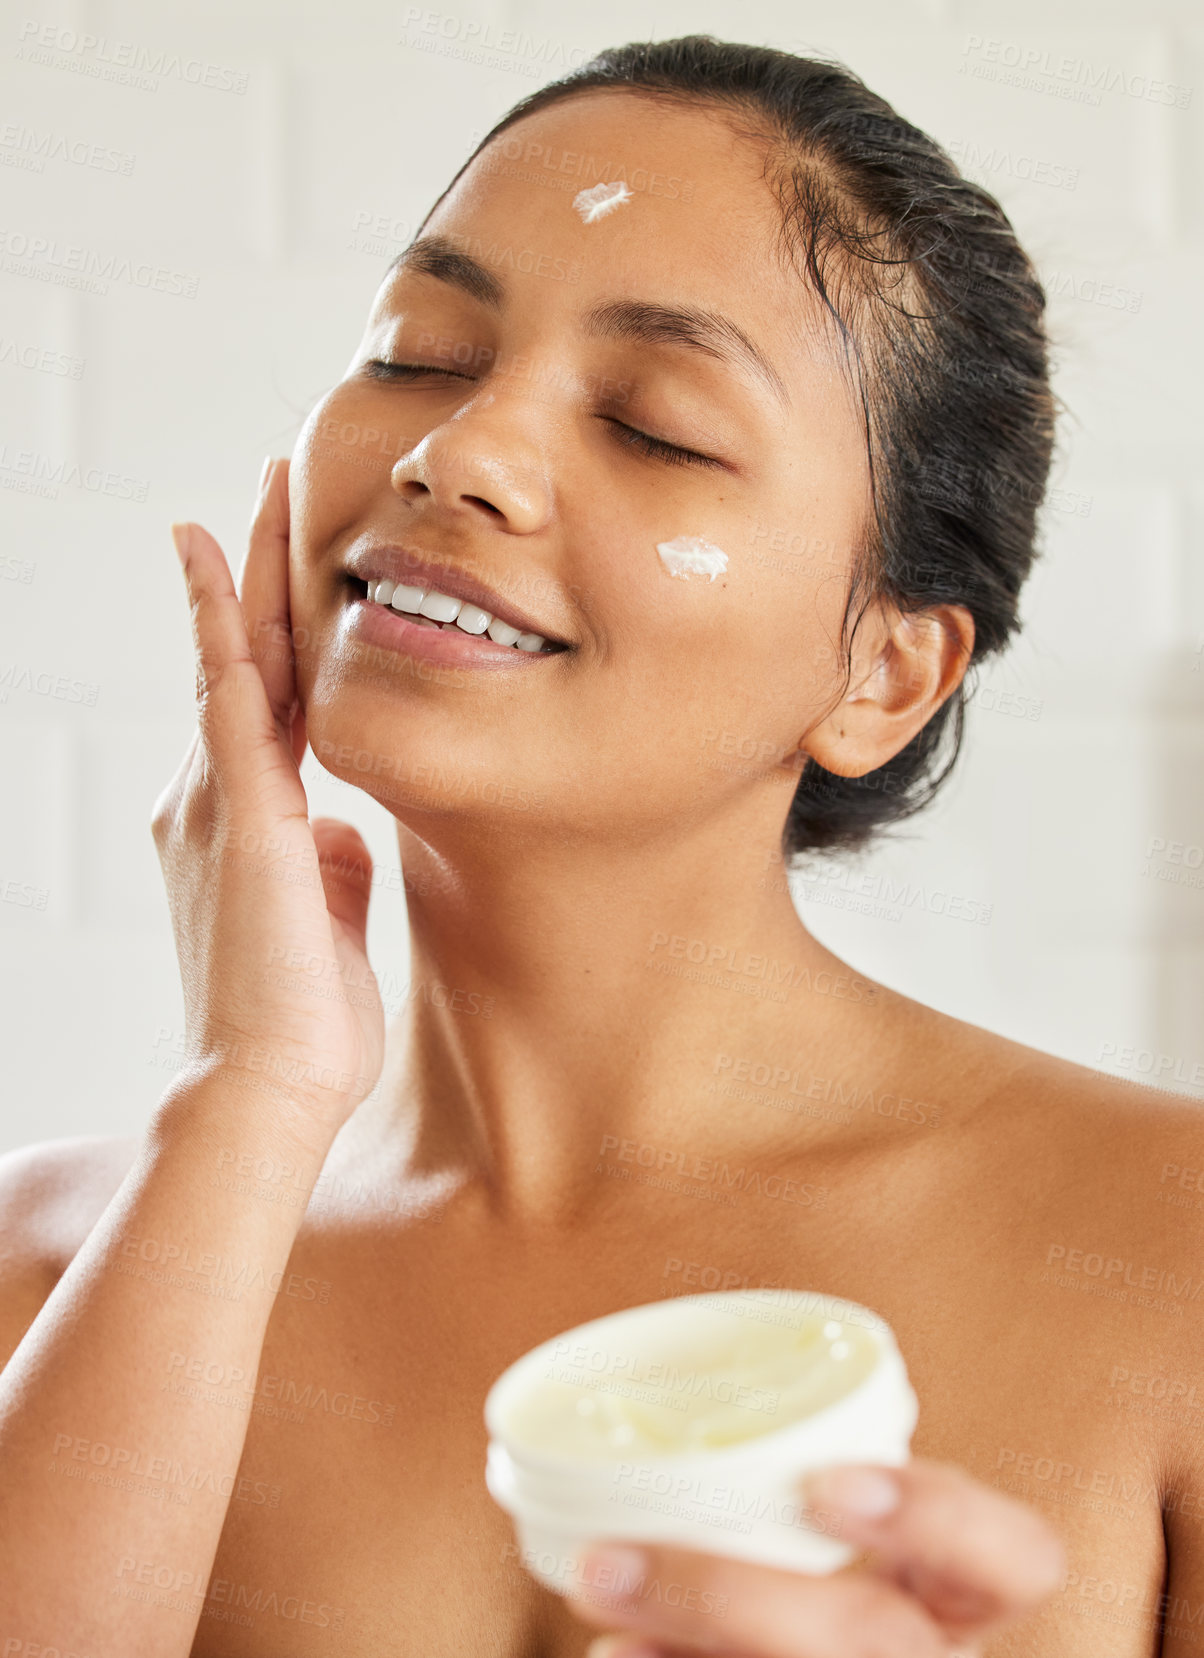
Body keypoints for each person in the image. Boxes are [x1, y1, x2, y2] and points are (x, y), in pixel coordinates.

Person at [0, 34, 1197, 1658]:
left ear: (882, 672)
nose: (456, 453)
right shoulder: (47, 1276)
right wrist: (249, 1098)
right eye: (422, 351)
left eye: (656, 424)